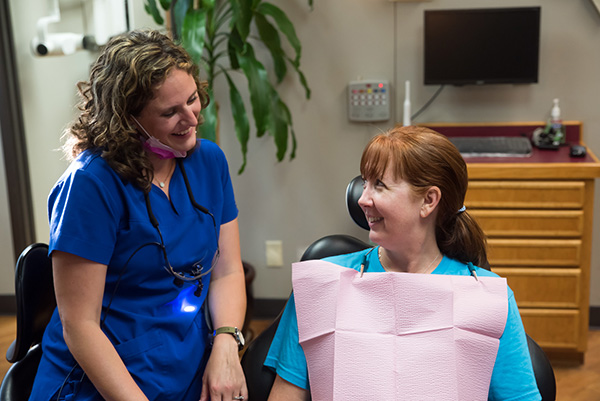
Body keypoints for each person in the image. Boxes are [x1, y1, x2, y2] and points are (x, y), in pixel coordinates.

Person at [29, 29, 248, 401]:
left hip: (185, 360)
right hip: (103, 380)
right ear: (128, 120)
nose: (192, 119)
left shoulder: (209, 161)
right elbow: (79, 325)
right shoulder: (90, 185)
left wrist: (226, 342)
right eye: (169, 112)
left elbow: (227, 270)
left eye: (193, 100)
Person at [264, 126, 542, 400]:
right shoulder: (322, 285)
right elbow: (287, 393)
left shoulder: (488, 299)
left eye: (379, 186)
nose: (362, 199)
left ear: (428, 200)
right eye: (365, 183)